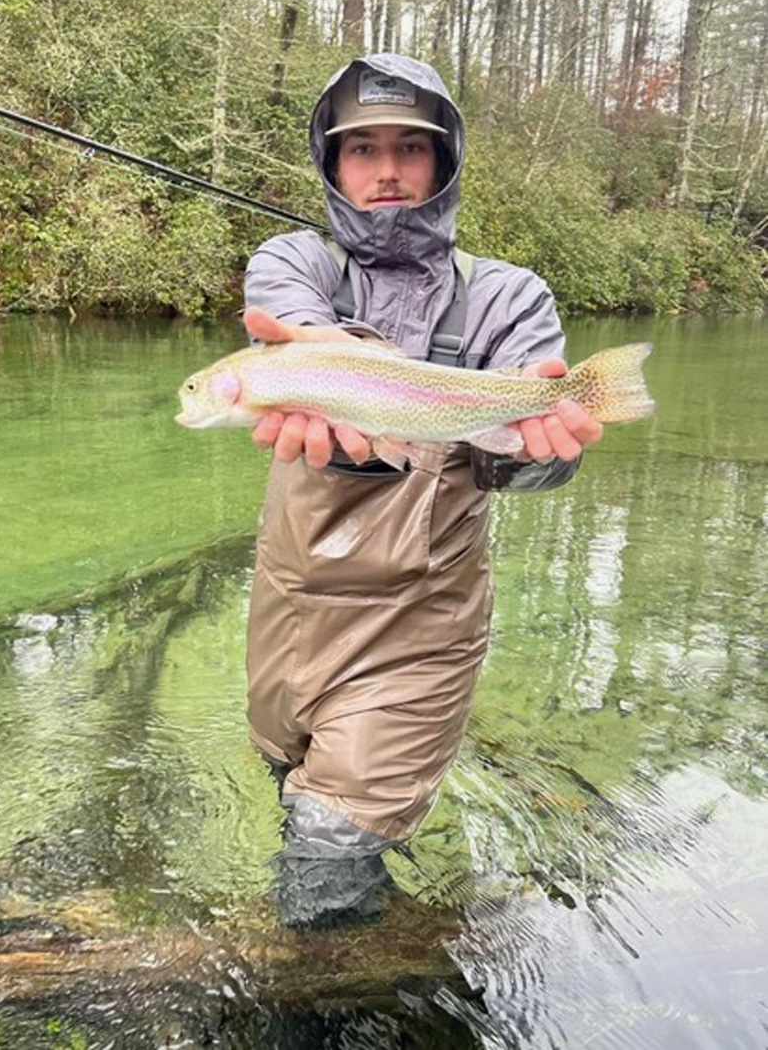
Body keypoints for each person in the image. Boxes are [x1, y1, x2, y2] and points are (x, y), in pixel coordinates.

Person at [242, 54, 602, 927]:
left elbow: (539, 460)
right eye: (361, 149)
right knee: (294, 787)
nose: (389, 170)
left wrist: (536, 449)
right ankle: (395, 928)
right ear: (332, 166)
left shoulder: (510, 297)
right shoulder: (298, 264)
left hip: (420, 624)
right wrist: (330, 370)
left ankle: (332, 996)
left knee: (329, 845)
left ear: (445, 163)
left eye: (412, 147)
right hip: (290, 608)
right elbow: (297, 321)